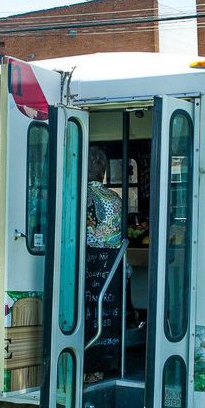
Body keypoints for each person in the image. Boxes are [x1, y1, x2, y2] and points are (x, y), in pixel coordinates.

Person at [84, 146, 123, 383]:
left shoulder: (77, 195)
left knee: (87, 314)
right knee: (105, 314)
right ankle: (101, 365)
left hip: (86, 261)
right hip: (111, 264)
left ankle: (85, 365)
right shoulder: (115, 198)